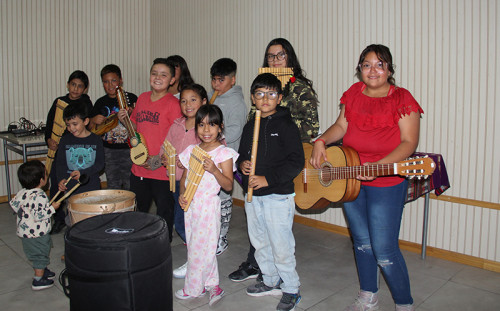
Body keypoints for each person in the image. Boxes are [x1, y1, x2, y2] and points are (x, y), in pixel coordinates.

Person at [310, 44, 422, 311]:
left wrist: (377, 166)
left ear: (389, 70)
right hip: (351, 179)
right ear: (359, 69)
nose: (373, 70)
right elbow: (341, 126)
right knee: (361, 243)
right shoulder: (353, 94)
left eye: (379, 64)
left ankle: (404, 304)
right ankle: (368, 295)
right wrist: (321, 140)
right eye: (367, 64)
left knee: (384, 250)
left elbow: (409, 143)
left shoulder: (402, 98)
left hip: (387, 182)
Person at [230, 37, 320, 283]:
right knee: (258, 232)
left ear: (289, 57)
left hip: (282, 168)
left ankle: (287, 283)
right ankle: (262, 269)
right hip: (258, 171)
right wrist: (242, 163)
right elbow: (249, 138)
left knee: (278, 235)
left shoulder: (300, 88)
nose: (276, 60)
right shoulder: (259, 94)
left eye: (281, 55)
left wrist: (280, 130)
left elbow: (311, 129)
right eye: (271, 56)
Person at [238, 73, 304, 311]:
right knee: (259, 241)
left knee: (280, 243)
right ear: (253, 98)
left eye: (271, 94)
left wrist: (269, 179)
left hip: (278, 195)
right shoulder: (249, 126)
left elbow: (296, 161)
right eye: (260, 94)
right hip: (253, 197)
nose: (265, 99)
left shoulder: (286, 125)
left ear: (280, 98)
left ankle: (291, 288)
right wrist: (241, 166)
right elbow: (242, 156)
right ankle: (270, 280)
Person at [175, 105, 238, 306]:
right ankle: (213, 284)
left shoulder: (224, 153)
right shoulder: (192, 150)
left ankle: (193, 288)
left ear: (220, 127)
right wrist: (183, 195)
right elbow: (184, 177)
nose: (206, 130)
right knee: (197, 245)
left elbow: (228, 185)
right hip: (192, 206)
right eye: (201, 125)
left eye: (211, 125)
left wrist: (214, 170)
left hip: (209, 206)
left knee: (199, 249)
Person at [118, 58, 182, 242]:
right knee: (139, 209)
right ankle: (139, 241)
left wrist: (158, 159)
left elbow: (176, 138)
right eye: (154, 73)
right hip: (139, 167)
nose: (158, 77)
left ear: (172, 80)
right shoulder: (143, 98)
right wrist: (126, 121)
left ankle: (162, 244)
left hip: (161, 170)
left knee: (164, 211)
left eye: (164, 74)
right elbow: (136, 127)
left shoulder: (173, 104)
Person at [161, 84, 206, 278]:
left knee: (188, 223)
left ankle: (197, 261)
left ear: (204, 102)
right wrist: (164, 156)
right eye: (183, 101)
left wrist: (189, 162)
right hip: (177, 183)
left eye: (193, 100)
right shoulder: (177, 124)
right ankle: (197, 256)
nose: (188, 104)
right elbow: (166, 146)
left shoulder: (206, 126)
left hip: (196, 187)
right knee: (182, 222)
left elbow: (215, 153)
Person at [44, 70, 92, 234]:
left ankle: (77, 217)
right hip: (59, 150)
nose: (76, 89)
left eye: (80, 86)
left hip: (77, 152)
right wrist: (49, 140)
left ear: (85, 89)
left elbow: (90, 128)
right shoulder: (59, 102)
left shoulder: (86, 104)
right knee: (57, 183)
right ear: (68, 84)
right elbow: (49, 124)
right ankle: (57, 218)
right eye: (73, 84)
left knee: (75, 186)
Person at [208, 58, 247, 256]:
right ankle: (209, 234)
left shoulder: (237, 103)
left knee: (223, 197)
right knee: (209, 197)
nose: (216, 85)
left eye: (221, 80)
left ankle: (221, 238)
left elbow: (234, 131)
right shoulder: (211, 97)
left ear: (232, 80)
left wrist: (213, 136)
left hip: (224, 158)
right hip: (209, 157)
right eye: (214, 80)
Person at [10, 160, 61, 290]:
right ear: (41, 180)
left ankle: (42, 270)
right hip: (37, 233)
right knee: (41, 254)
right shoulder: (40, 195)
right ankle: (38, 279)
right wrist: (52, 208)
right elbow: (39, 216)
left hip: (25, 233)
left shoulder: (22, 192)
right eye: (45, 173)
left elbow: (14, 205)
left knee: (35, 253)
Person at [89, 64, 138, 190]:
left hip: (129, 149)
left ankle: (130, 210)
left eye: (113, 80)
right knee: (112, 182)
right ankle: (114, 210)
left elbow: (140, 125)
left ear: (121, 80)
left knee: (130, 183)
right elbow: (90, 128)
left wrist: (133, 113)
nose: (110, 85)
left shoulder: (132, 98)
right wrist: (93, 120)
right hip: (108, 150)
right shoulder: (100, 102)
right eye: (106, 82)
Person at [56, 104, 104, 215]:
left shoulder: (96, 140)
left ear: (86, 121)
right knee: (73, 218)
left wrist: (83, 173)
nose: (71, 128)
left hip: (91, 187)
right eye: (68, 125)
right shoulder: (65, 140)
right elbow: (60, 164)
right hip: (71, 187)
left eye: (75, 124)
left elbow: (100, 164)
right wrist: (61, 179)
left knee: (92, 217)